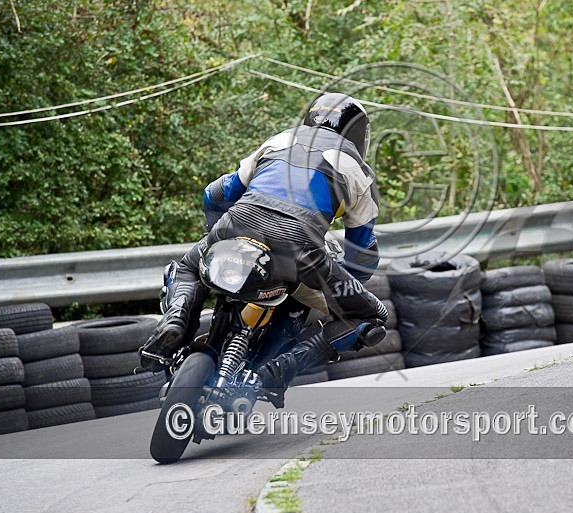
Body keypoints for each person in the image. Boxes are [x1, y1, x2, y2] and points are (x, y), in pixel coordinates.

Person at [138, 92, 388, 406]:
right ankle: (277, 371)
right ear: (358, 133)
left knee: (188, 267)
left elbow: (215, 194)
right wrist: (340, 285)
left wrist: (224, 243)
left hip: (237, 225)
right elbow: (361, 255)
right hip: (300, 250)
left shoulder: (279, 140)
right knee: (374, 316)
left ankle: (175, 321)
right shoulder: (358, 170)